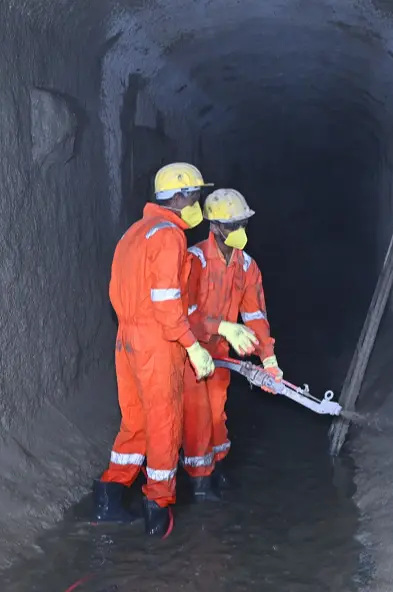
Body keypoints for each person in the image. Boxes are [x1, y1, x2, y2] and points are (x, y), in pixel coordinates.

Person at [95, 162, 217, 536]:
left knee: (136, 421)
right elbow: (167, 303)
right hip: (157, 341)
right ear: (178, 197)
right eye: (195, 195)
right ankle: (158, 513)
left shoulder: (134, 232)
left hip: (126, 339)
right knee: (164, 423)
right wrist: (192, 346)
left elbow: (117, 289)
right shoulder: (169, 236)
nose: (198, 203)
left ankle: (108, 500)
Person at [181, 188, 281, 500]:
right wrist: (222, 327)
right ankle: (198, 484)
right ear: (215, 226)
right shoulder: (194, 260)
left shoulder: (247, 267)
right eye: (233, 225)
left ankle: (217, 470)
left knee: (216, 415)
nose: (240, 231)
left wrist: (269, 361)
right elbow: (184, 314)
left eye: (243, 224)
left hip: (221, 353)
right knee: (197, 415)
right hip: (191, 352)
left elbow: (255, 315)